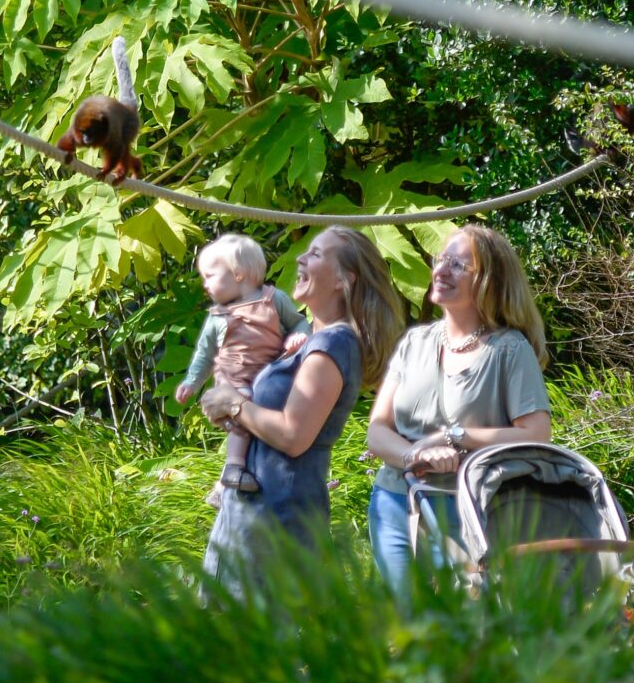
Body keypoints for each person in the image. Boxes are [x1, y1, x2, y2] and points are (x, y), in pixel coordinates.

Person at [199, 226, 404, 589]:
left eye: (316, 254)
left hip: (277, 525)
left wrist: (234, 404)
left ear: (344, 280)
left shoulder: (333, 344)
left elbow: (294, 435)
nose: (300, 258)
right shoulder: (308, 339)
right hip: (252, 518)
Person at [365, 224, 552, 602]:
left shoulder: (509, 350)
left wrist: (456, 438)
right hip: (394, 502)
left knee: (458, 628)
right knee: (408, 622)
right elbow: (377, 429)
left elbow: (537, 434)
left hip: (466, 509)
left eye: (458, 265)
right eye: (440, 260)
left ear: (488, 281)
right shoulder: (415, 342)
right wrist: (413, 456)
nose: (441, 271)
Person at [174, 233, 310, 500]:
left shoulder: (274, 299)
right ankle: (233, 468)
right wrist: (192, 382)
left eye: (210, 276)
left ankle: (221, 489)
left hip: (268, 376)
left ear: (237, 274)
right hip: (233, 381)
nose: (205, 285)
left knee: (267, 418)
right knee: (243, 406)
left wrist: (298, 334)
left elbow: (299, 322)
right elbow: (204, 353)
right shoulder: (218, 317)